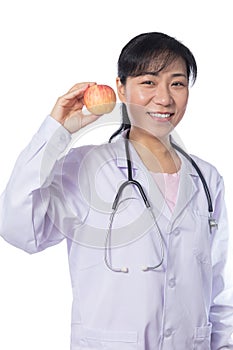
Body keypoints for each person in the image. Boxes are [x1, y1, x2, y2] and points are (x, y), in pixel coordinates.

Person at [0, 32, 232, 349]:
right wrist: (57, 132)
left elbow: (218, 287)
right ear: (121, 88)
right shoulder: (84, 168)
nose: (164, 98)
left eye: (177, 83)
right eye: (149, 82)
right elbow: (19, 228)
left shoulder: (207, 179)